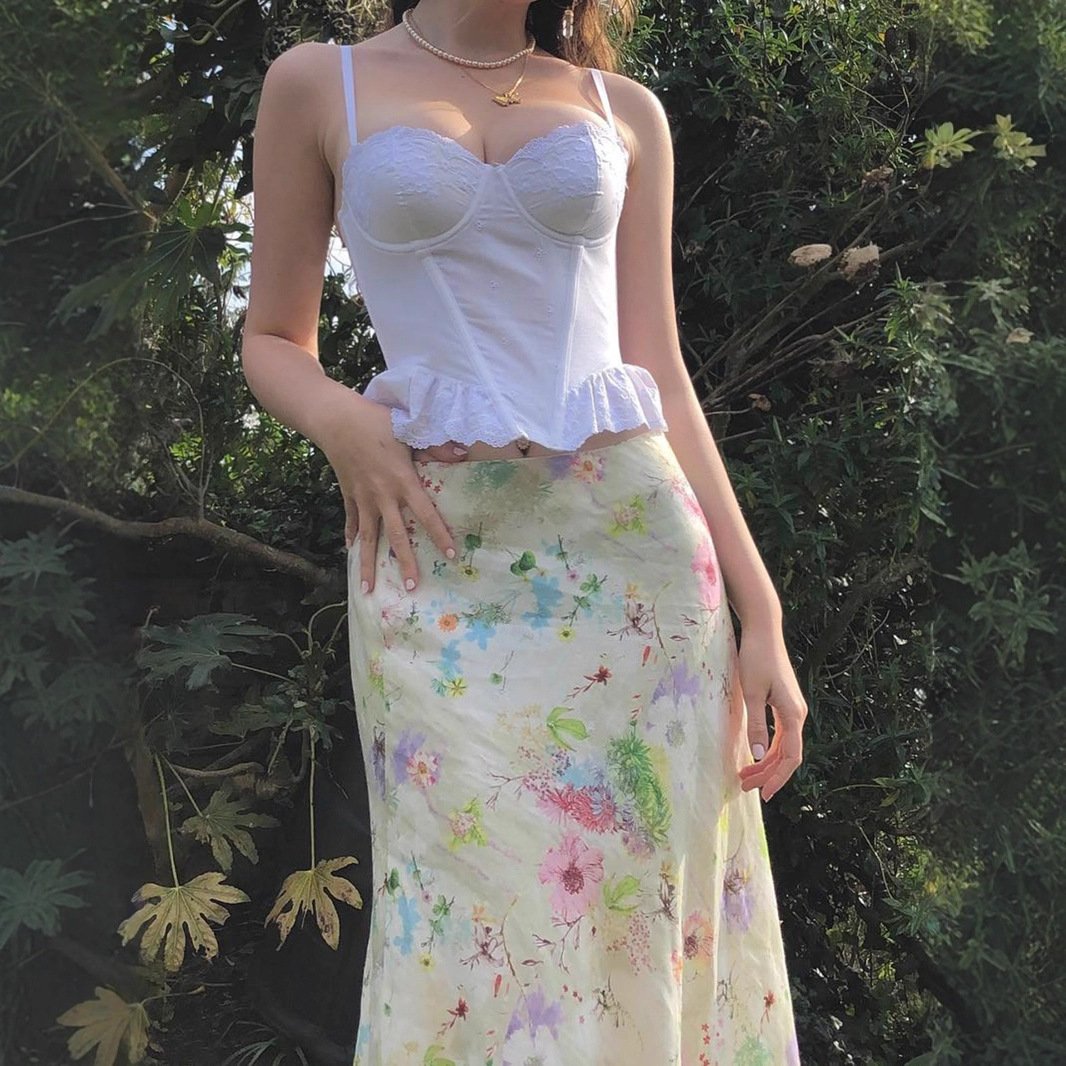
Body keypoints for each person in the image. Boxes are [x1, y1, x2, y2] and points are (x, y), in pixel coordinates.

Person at [242, 2, 806, 1063]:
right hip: (433, 557)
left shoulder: (621, 107)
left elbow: (659, 369)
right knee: (469, 914)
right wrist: (341, 422)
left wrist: (760, 611)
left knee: (644, 907)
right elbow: (273, 336)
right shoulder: (320, 83)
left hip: (638, 567)